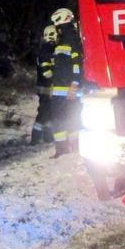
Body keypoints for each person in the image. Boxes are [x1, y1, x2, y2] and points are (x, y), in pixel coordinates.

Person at [49, 8, 83, 157]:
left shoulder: (69, 38)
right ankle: (72, 146)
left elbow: (76, 64)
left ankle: (63, 149)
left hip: (65, 88)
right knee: (70, 117)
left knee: (59, 118)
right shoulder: (69, 37)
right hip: (63, 87)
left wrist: (74, 84)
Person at [31, 25, 57, 145]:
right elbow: (47, 72)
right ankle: (35, 137)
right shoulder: (46, 50)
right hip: (46, 88)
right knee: (44, 113)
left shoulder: (48, 49)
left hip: (46, 88)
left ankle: (48, 136)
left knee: (48, 112)